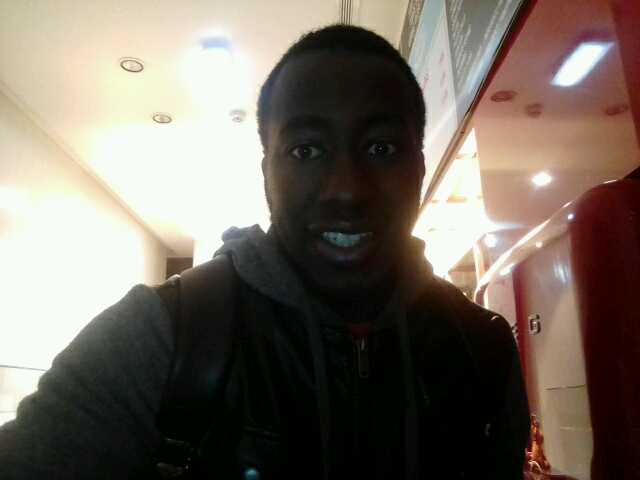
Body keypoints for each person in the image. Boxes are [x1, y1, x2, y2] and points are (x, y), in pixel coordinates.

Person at [0, 25, 529, 479]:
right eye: (306, 150)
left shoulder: (481, 350)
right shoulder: (163, 335)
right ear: (266, 173)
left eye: (380, 147)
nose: (346, 190)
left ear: (419, 164)